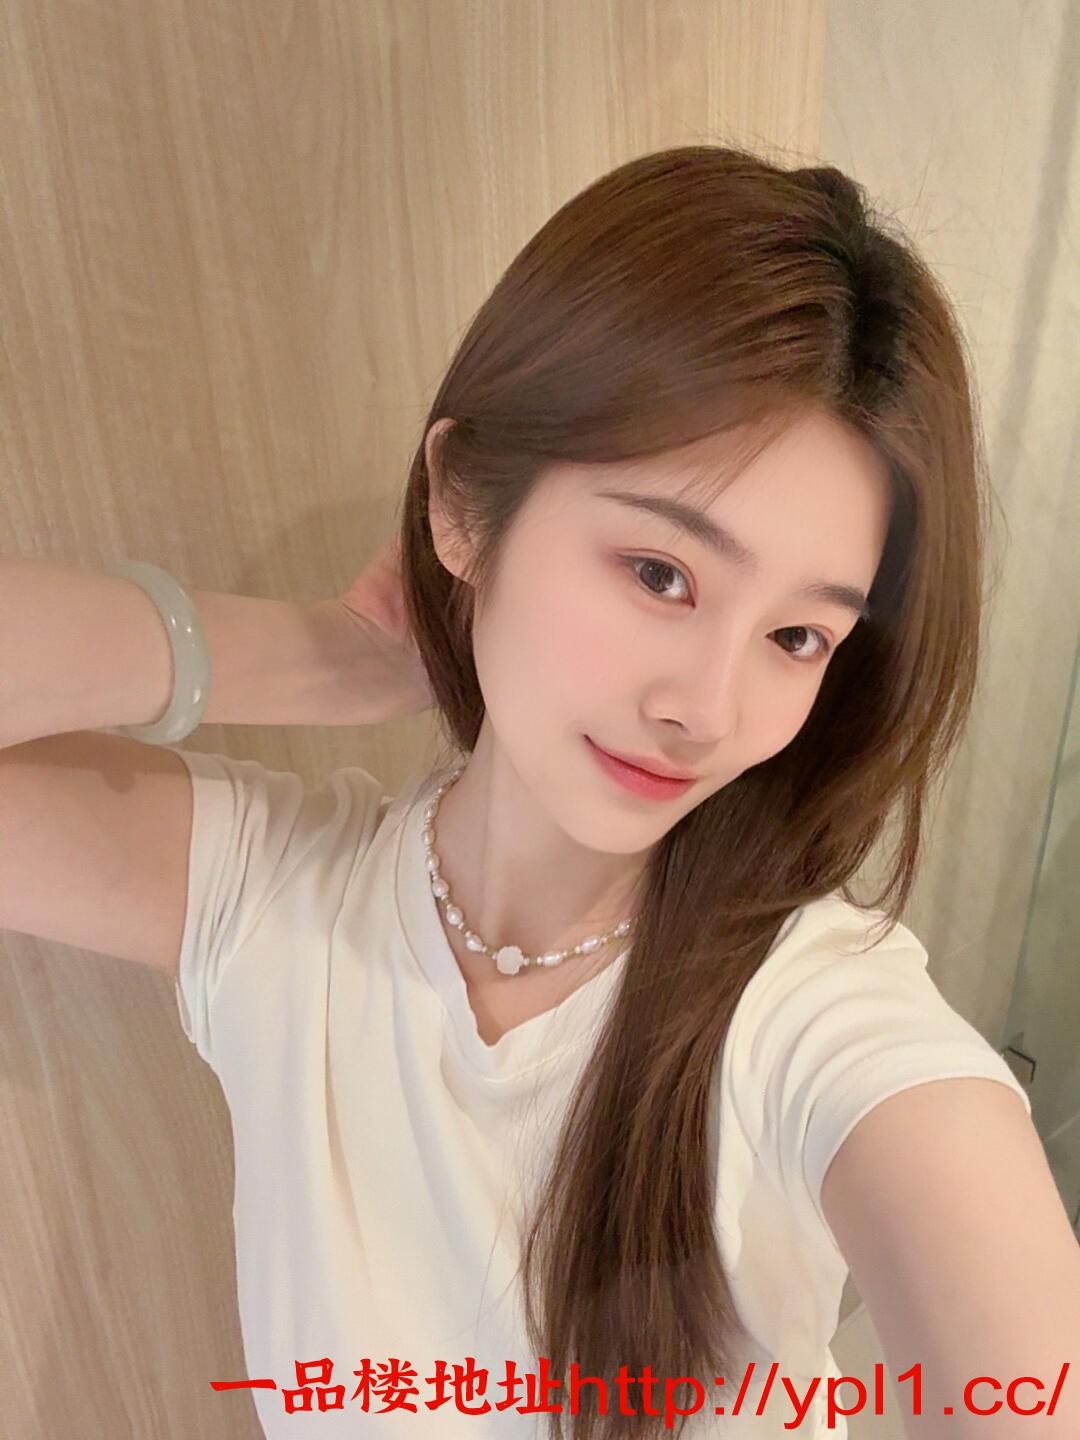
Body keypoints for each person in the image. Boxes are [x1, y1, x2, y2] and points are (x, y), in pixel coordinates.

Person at [2, 145, 1078, 1440]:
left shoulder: (813, 1012)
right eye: (661, 574)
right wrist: (329, 656)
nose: (707, 708)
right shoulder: (273, 902)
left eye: (797, 637)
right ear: (465, 503)